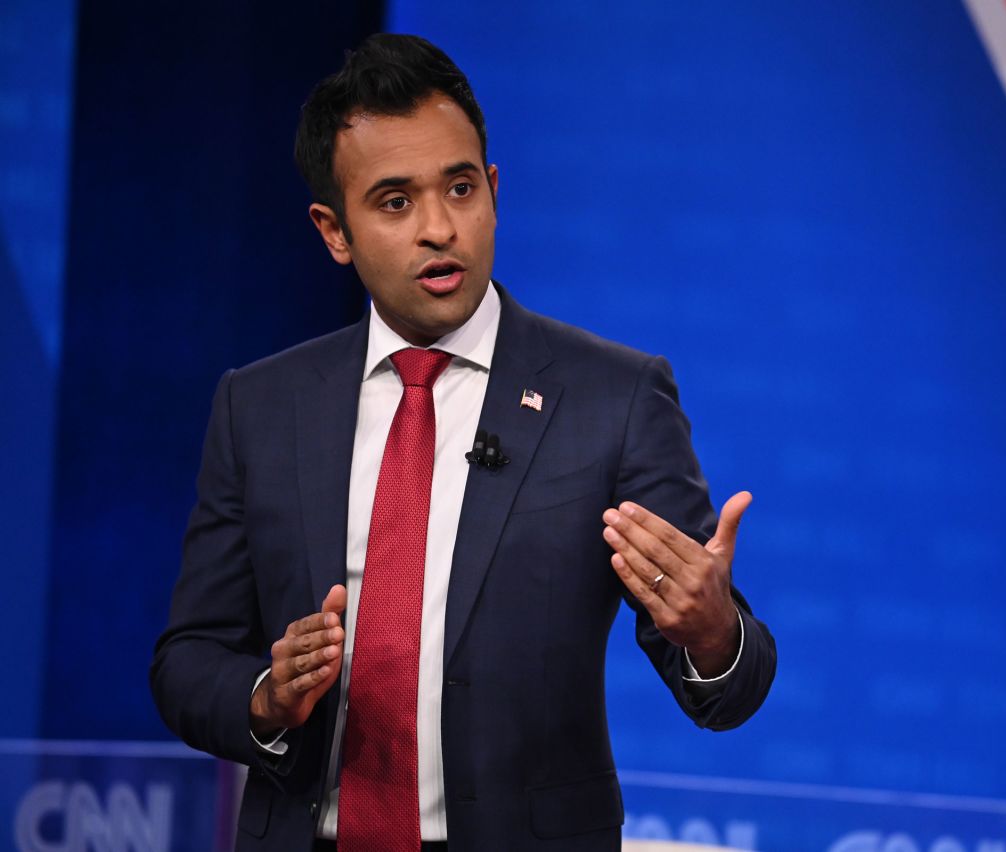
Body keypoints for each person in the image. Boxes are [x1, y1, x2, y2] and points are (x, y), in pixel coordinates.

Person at [151, 33, 775, 852]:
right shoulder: (260, 406)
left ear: (494, 190)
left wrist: (712, 631)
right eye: (395, 202)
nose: (439, 228)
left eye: (460, 187)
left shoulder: (612, 399)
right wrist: (267, 696)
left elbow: (728, 693)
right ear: (334, 231)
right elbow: (188, 660)